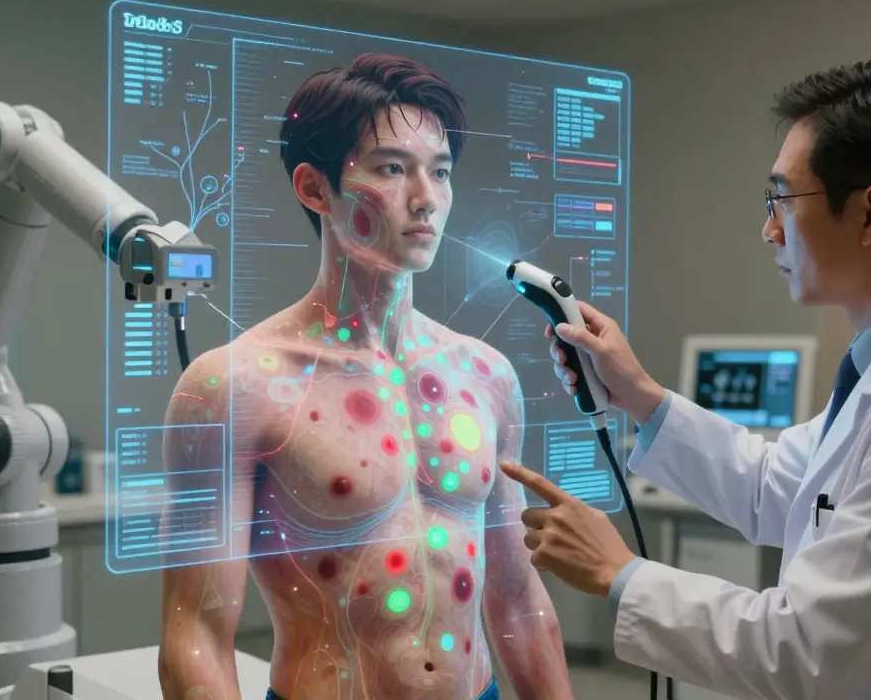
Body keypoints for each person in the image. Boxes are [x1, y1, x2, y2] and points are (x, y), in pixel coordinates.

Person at [499, 60, 871, 699]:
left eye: (782, 199)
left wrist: (619, 572)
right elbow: (774, 486)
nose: (769, 228)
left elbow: (803, 653)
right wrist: (640, 395)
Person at [157, 53, 574, 700]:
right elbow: (197, 637)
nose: (427, 198)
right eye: (392, 169)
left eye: (440, 171)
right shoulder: (236, 386)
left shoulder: (484, 375)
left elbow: (518, 603)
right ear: (314, 188)